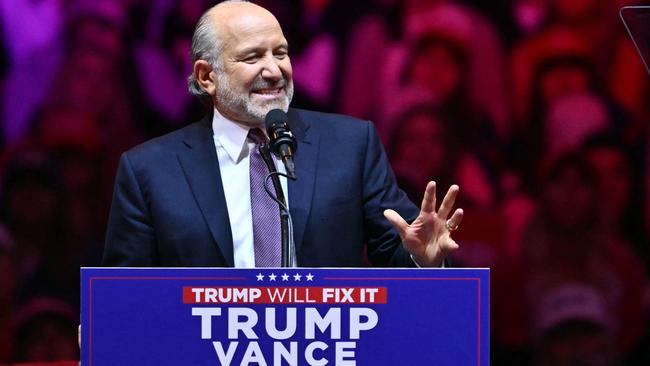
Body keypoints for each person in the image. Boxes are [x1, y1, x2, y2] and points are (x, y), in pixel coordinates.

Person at [103, 0, 463, 268]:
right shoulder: (149, 171)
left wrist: (421, 258)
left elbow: (400, 254)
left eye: (281, 53)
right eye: (252, 57)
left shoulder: (351, 146)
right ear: (206, 76)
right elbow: (128, 297)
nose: (274, 70)